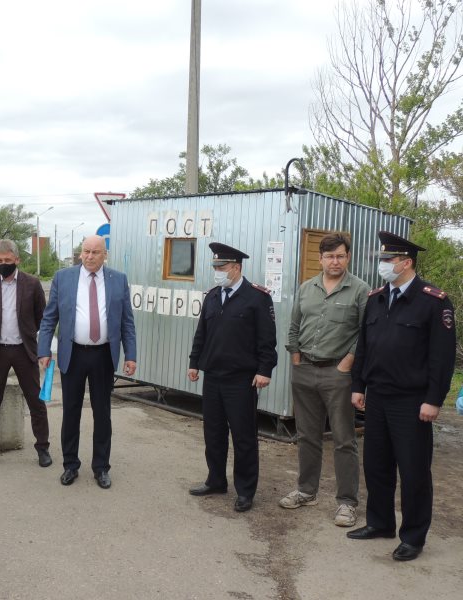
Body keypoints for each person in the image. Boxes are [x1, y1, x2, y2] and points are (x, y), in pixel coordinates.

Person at [347, 231, 456, 562]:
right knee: (377, 465)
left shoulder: (433, 301)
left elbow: (442, 356)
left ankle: (413, 536)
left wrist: (434, 399)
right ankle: (380, 523)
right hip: (377, 395)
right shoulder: (377, 297)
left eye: (387, 260)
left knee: (413, 471)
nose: (382, 265)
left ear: (406, 263)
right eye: (382, 260)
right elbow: (364, 346)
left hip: (412, 401)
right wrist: (358, 386)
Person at [280, 232, 369, 526]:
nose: (335, 261)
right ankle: (306, 491)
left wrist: (347, 363)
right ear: (320, 259)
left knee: (344, 440)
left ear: (348, 257)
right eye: (330, 256)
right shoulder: (307, 288)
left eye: (340, 255)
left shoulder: (360, 290)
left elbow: (366, 334)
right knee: (307, 435)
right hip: (304, 370)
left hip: (338, 374)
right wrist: (295, 357)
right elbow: (294, 325)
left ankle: (346, 502)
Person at [38, 235, 136, 489]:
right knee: (71, 412)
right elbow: (49, 318)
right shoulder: (63, 278)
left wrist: (131, 355)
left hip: (103, 355)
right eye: (86, 252)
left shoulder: (118, 280)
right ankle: (70, 465)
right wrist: (43, 350)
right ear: (80, 253)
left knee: (102, 413)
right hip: (74, 354)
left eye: (95, 252)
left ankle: (101, 467)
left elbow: (127, 321)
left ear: (105, 255)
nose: (90, 256)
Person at [186, 242, 277, 512]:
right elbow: (201, 333)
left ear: (236, 268)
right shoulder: (212, 296)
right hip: (213, 376)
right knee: (213, 433)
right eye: (214, 266)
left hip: (241, 379)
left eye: (221, 267)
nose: (217, 271)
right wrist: (194, 363)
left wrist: (264, 370)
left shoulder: (257, 298)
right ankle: (215, 480)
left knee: (243, 436)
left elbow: (267, 340)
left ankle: (245, 490)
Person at [0, 239, 51, 469]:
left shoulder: (32, 284)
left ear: (17, 259)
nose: (3, 264)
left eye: (8, 260)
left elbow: (41, 317)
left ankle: (43, 448)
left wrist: (27, 334)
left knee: (36, 401)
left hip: (24, 350)